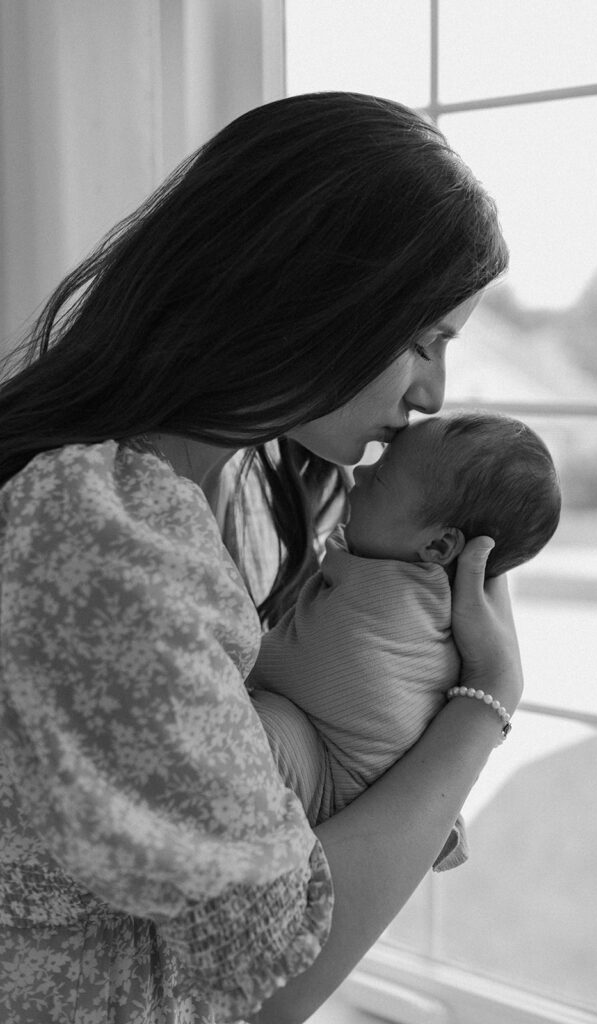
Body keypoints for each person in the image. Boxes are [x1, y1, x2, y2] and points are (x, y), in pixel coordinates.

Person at [0, 92, 523, 1024]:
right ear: (308, 295)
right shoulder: (102, 545)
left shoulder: (241, 495)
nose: (433, 395)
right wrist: (485, 704)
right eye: (420, 341)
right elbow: (274, 982)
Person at [248, 412, 560, 863]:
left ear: (437, 547)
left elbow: (295, 664)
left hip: (328, 781)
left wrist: (241, 657)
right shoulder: (430, 589)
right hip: (377, 788)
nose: (360, 471)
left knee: (255, 725)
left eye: (381, 479)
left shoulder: (386, 598)